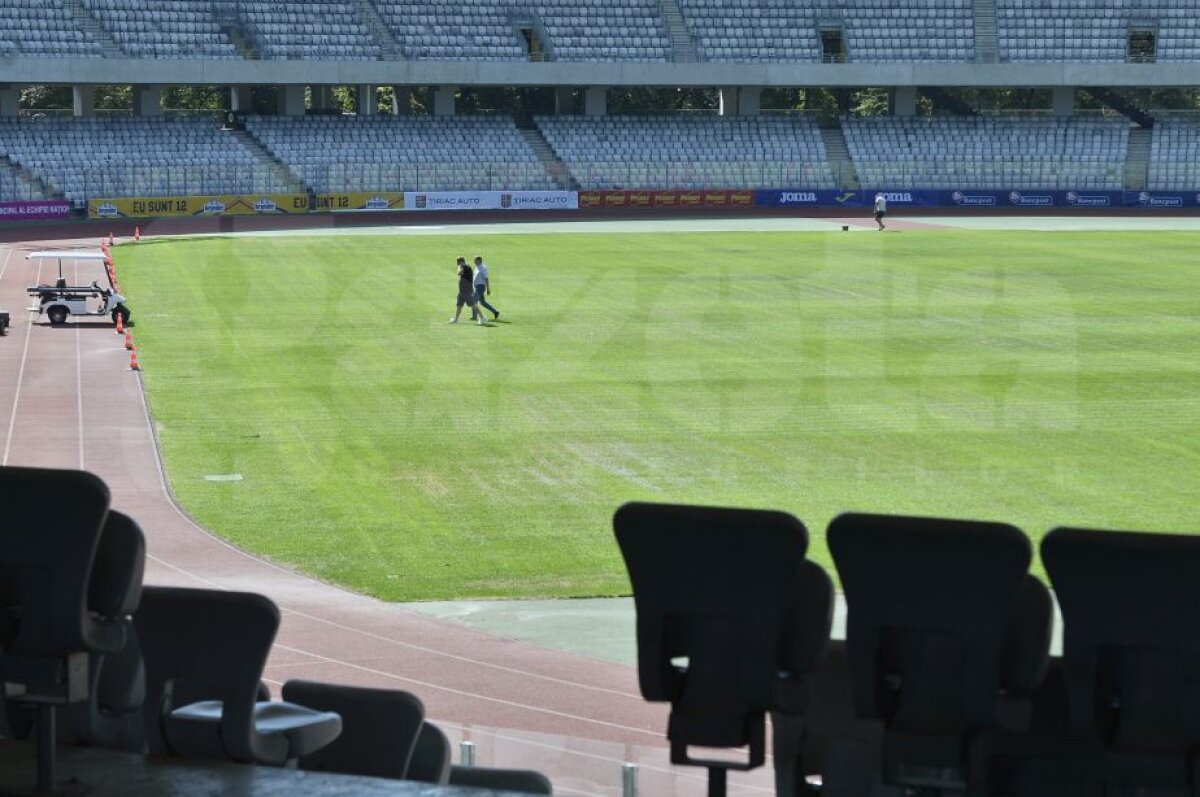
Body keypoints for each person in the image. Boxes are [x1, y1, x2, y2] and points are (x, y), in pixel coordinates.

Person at [449, 257, 486, 325]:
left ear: (460, 262)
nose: (457, 265)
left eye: (458, 263)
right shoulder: (465, 266)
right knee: (459, 305)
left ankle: (482, 318)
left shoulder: (465, 267)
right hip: (462, 291)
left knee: (472, 305)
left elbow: (459, 273)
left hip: (466, 291)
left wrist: (459, 267)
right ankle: (456, 319)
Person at [472, 255, 500, 321]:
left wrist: (488, 288)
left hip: (481, 287)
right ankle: (495, 312)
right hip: (477, 287)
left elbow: (486, 278)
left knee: (473, 301)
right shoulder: (477, 267)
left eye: (475, 261)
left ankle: (474, 317)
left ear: (479, 261)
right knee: (483, 303)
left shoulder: (483, 268)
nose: (474, 262)